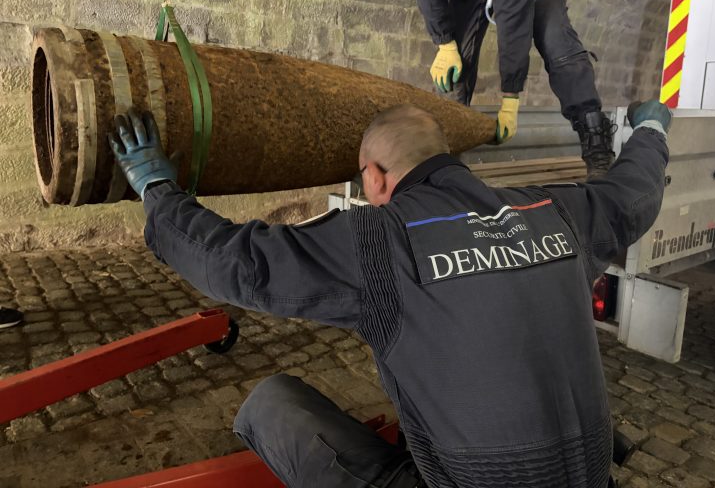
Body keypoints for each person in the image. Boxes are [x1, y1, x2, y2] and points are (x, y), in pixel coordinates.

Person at [109, 100, 671, 487]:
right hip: (591, 478)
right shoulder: (555, 210)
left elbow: (234, 261)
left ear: (375, 177)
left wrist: (156, 189)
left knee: (272, 405)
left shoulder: (380, 238)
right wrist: (651, 130)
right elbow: (637, 190)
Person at [404, 0, 616, 177]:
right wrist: (444, 42)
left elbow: (513, 7)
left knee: (553, 36)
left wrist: (510, 94)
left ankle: (596, 140)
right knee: (454, 64)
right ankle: (440, 162)